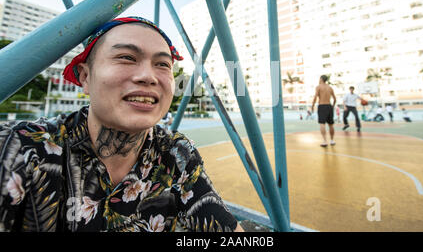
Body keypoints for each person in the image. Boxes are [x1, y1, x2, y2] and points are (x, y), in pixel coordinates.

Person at [0, 16, 243, 232]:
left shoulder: (176, 153)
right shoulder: (22, 147)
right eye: (127, 57)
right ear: (85, 77)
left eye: (162, 64)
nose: (148, 76)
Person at [311, 75, 337, 147]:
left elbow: (315, 97)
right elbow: (335, 99)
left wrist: (312, 106)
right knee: (331, 124)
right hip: (329, 106)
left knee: (322, 124)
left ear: (321, 79)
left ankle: (325, 141)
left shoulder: (318, 87)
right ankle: (332, 140)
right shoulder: (330, 88)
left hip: (322, 106)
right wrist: (333, 106)